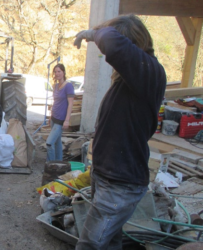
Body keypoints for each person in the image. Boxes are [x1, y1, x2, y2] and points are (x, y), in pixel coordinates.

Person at [73, 14, 167, 249]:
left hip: (120, 183)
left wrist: (94, 33)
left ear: (132, 45)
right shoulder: (132, 80)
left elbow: (113, 43)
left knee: (90, 245)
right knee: (110, 242)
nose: (110, 59)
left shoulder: (149, 72)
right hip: (108, 176)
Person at [46, 64, 74, 162]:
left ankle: (50, 166)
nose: (57, 74)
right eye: (55, 72)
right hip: (54, 118)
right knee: (57, 143)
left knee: (49, 143)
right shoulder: (55, 86)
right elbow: (55, 102)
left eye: (59, 71)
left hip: (61, 120)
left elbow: (70, 104)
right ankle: (59, 165)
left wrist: (67, 120)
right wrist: (50, 117)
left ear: (64, 72)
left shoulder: (68, 86)